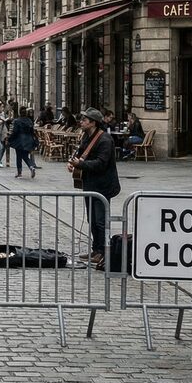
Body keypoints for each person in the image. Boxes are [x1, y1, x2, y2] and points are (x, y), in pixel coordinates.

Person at [67, 108, 121, 268]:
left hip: (103, 186)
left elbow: (101, 163)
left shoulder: (105, 140)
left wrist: (81, 164)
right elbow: (81, 155)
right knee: (92, 219)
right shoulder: (86, 137)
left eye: (84, 120)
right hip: (90, 183)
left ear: (93, 122)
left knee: (100, 220)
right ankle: (96, 249)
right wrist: (73, 163)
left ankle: (104, 253)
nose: (81, 122)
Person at [8, 106, 38, 178]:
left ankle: (19, 172)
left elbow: (15, 132)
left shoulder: (17, 121)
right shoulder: (29, 121)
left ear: (19, 113)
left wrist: (10, 138)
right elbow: (32, 131)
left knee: (19, 156)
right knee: (25, 156)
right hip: (29, 140)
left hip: (20, 140)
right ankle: (31, 166)